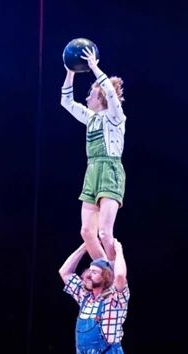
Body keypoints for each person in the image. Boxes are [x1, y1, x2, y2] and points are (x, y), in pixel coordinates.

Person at [61, 47, 126, 262]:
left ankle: (118, 276)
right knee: (87, 232)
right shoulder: (91, 118)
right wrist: (70, 71)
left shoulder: (115, 117)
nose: (87, 97)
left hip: (110, 170)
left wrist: (94, 67)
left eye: (91, 94)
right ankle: (106, 272)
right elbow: (67, 102)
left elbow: (110, 93)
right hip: (92, 171)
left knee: (105, 233)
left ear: (101, 98)